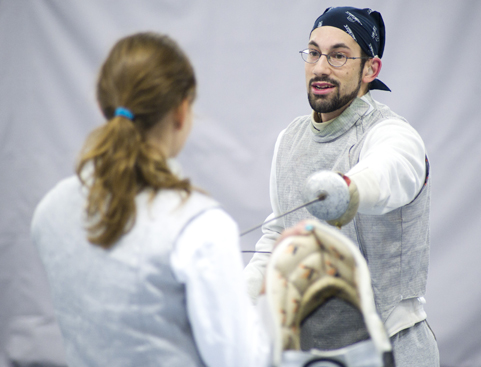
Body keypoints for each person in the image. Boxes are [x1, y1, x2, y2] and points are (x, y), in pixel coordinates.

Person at [31, 32, 270, 367]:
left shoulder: (50, 210)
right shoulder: (200, 227)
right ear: (181, 111)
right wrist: (273, 295)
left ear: (104, 105)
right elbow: (243, 362)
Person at [243, 6, 439, 366]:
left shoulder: (392, 133)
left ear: (370, 69)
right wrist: (236, 301)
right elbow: (276, 239)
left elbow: (391, 169)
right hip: (305, 354)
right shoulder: (290, 139)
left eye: (338, 56)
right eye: (314, 52)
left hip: (390, 352)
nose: (320, 67)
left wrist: (348, 190)